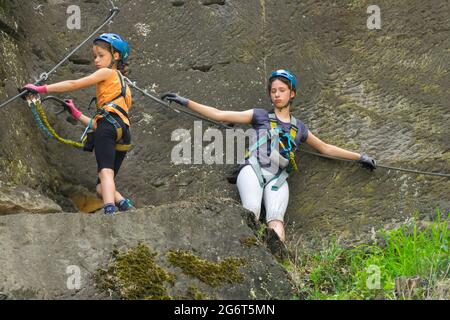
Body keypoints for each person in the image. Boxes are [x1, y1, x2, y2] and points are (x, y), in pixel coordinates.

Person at [162, 69, 376, 243]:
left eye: (282, 90)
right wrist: (186, 101)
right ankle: (248, 255)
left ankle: (279, 261)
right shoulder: (260, 116)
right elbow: (221, 114)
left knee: (276, 220)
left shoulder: (299, 128)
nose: (277, 94)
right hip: (253, 169)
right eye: (273, 90)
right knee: (251, 210)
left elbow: (325, 148)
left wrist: (359, 157)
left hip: (278, 177)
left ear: (292, 94)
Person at [22, 33, 134, 215]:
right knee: (101, 187)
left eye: (101, 55)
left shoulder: (107, 72)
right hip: (123, 132)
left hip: (108, 127)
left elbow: (75, 83)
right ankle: (124, 205)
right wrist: (76, 113)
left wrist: (41, 89)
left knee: (106, 173)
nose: (96, 60)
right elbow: (104, 123)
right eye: (94, 56)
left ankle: (110, 211)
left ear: (115, 56)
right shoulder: (125, 87)